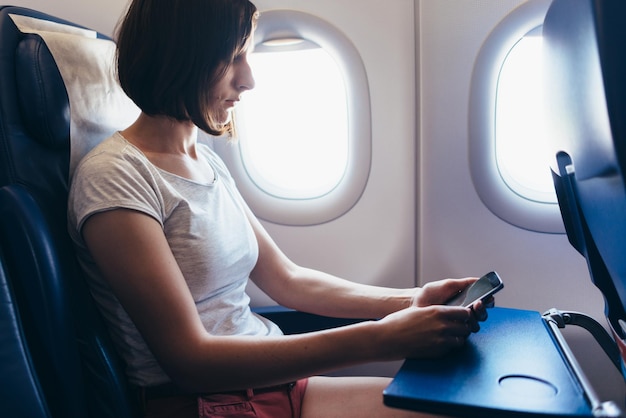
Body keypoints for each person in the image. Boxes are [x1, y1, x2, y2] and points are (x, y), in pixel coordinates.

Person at [67, 0, 490, 417]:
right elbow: (190, 361)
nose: (248, 79)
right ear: (181, 57)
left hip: (274, 386)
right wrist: (382, 340)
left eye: (246, 55)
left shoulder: (204, 160)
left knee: (463, 407)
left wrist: (411, 301)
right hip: (206, 403)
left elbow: (287, 280)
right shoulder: (114, 178)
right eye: (231, 58)